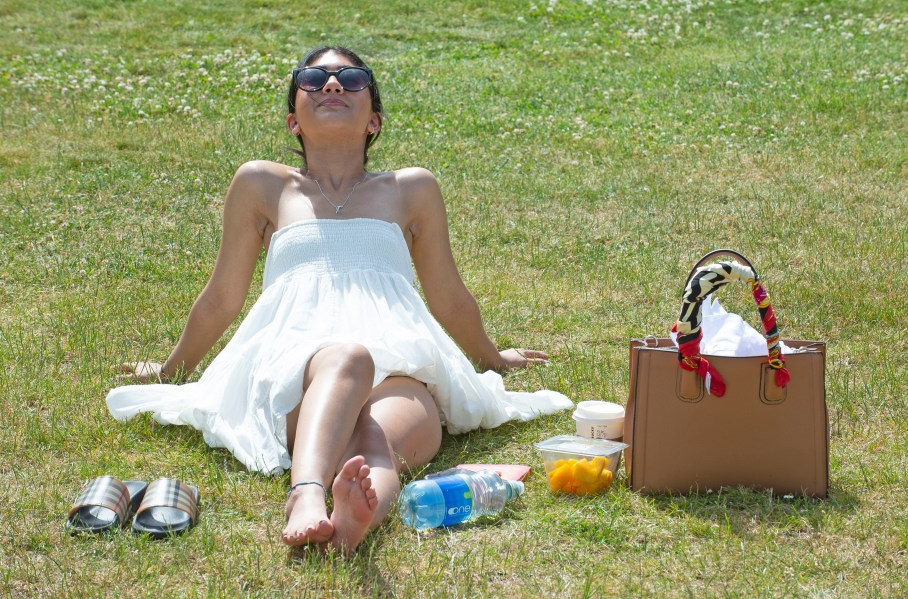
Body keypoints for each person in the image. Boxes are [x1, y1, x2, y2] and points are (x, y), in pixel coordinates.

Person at [107, 46, 573, 554]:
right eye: (315, 79)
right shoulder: (263, 184)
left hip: (402, 364)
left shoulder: (411, 189)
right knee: (348, 358)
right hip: (295, 371)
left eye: (351, 79)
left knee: (378, 443)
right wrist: (171, 369)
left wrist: (492, 357)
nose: (332, 85)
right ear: (293, 121)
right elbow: (222, 296)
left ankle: (353, 528)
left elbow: (449, 296)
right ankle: (305, 494)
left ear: (373, 120)